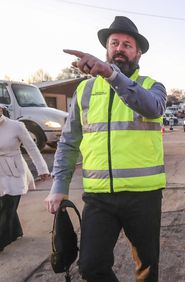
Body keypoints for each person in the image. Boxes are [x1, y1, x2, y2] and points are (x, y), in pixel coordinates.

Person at [44, 16, 167, 282]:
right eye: (114, 43)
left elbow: (152, 108)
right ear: (107, 50)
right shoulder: (85, 90)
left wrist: (112, 75)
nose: (120, 48)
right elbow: (68, 142)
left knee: (147, 268)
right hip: (99, 197)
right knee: (90, 266)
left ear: (138, 53)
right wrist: (59, 186)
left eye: (127, 44)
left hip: (143, 196)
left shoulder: (152, 87)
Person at [0, 106, 50, 251]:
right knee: (4, 205)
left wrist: (42, 169)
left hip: (14, 171)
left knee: (7, 205)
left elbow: (32, 149)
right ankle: (15, 232)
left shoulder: (16, 126)